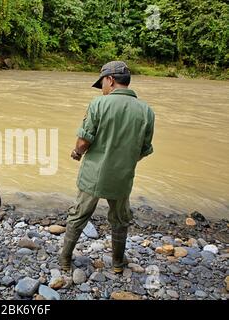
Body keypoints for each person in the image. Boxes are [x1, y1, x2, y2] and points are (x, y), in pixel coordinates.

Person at [60, 61, 155, 273]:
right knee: (120, 219)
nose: (101, 88)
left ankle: (65, 259)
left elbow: (84, 141)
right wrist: (125, 161)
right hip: (122, 177)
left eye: (102, 82)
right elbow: (144, 149)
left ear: (110, 80)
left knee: (79, 214)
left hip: (94, 174)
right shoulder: (147, 111)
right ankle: (117, 264)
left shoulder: (99, 104)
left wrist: (77, 153)